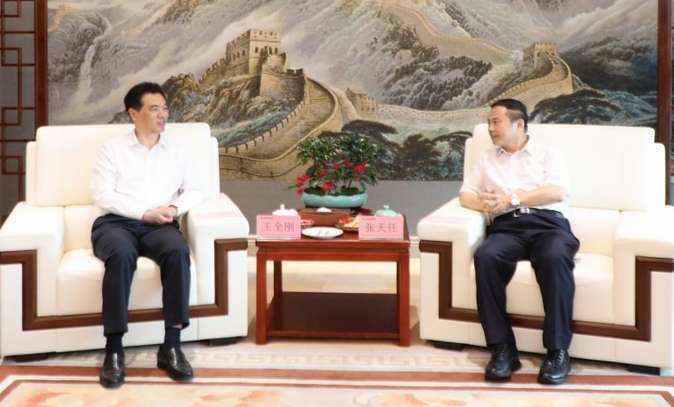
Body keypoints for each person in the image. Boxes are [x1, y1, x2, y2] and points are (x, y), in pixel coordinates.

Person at [459, 98, 579, 385]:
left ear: (519, 124)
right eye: (489, 123)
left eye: (496, 122)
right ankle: (502, 349)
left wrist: (512, 199)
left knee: (553, 257)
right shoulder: (487, 158)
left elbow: (558, 192)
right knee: (486, 256)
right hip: (506, 227)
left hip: (548, 225)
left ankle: (558, 351)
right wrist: (486, 204)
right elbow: (465, 195)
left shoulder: (548, 153)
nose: (490, 128)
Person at [90, 82, 202, 388]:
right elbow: (102, 194)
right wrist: (143, 213)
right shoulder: (113, 149)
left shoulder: (178, 150)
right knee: (120, 254)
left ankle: (172, 346)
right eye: (154, 109)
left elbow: (195, 190)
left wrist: (173, 208)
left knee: (177, 251)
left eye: (165, 108)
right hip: (116, 223)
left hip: (160, 224)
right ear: (133, 113)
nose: (163, 114)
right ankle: (114, 350)